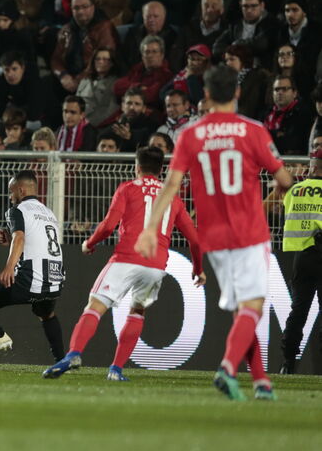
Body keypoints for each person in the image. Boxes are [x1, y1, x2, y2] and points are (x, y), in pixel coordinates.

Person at [136, 64, 294, 401]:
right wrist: (274, 192)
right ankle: (227, 367)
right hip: (249, 233)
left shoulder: (190, 136)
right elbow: (284, 180)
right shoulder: (253, 130)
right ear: (236, 93)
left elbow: (172, 185)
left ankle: (261, 381)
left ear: (205, 95)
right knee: (253, 307)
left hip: (215, 239)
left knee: (242, 312)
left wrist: (151, 228)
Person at [43, 146, 205, 381]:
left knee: (95, 306)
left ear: (137, 167)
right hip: (156, 265)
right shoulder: (173, 198)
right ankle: (116, 370)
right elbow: (196, 240)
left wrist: (90, 242)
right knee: (137, 312)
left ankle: (74, 354)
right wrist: (198, 269)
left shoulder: (128, 189)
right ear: (161, 170)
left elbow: (109, 225)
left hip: (127, 258)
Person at [0, 170, 66, 362]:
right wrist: (10, 240)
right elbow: (37, 243)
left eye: (11, 192)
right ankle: (63, 360)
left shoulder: (17, 210)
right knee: (46, 313)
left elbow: (20, 237)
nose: (10, 197)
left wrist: (9, 267)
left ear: (21, 190)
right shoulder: (48, 213)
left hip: (30, 280)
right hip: (55, 280)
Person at [279, 150, 322, 374]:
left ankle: (288, 362)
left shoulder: (295, 190)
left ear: (312, 165)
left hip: (301, 258)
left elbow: (284, 209)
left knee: (298, 311)